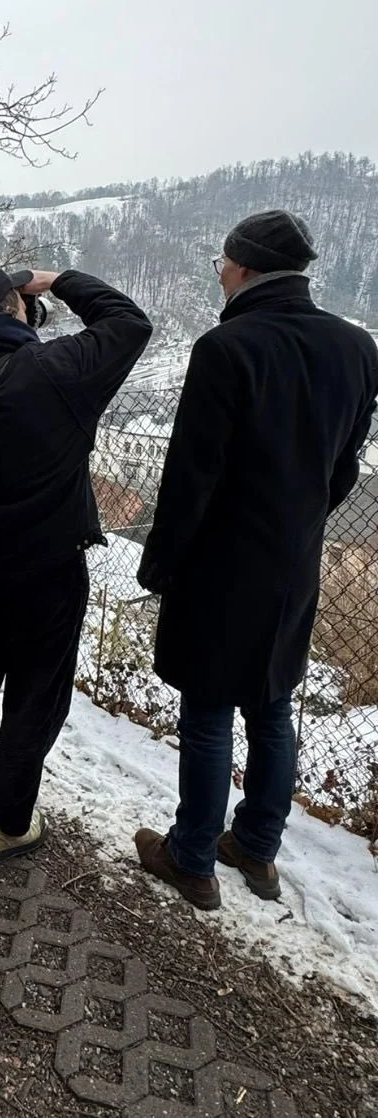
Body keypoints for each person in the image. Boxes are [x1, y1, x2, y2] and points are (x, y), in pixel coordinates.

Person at [134, 211, 378, 910]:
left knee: (209, 710)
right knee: (272, 707)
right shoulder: (358, 348)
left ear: (240, 268)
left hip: (218, 563)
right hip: (293, 561)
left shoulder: (227, 347)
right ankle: (258, 849)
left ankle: (191, 859)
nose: (217, 271)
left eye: (221, 260)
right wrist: (298, 525)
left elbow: (190, 477)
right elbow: (344, 468)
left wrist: (162, 564)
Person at [0, 266, 151, 863]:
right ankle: (7, 824)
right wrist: (59, 278)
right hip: (49, 570)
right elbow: (128, 323)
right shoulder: (55, 371)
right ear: (14, 309)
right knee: (33, 698)